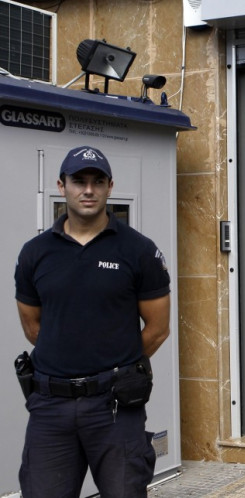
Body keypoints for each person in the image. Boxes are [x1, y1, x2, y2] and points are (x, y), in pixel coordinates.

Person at [14, 145, 171, 497]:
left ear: (110, 187)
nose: (88, 189)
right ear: (61, 185)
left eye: (97, 181)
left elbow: (158, 329)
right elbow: (32, 326)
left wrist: (114, 366)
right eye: (79, 180)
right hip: (50, 407)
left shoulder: (139, 251)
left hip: (114, 408)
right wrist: (70, 358)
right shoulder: (35, 253)